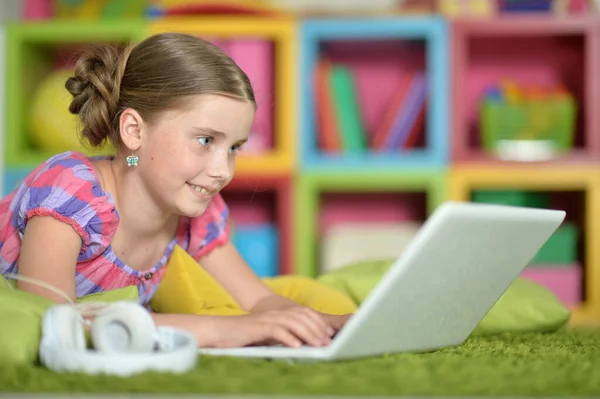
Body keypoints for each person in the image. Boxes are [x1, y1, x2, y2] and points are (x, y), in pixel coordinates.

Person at [0, 32, 350, 349]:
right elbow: (54, 322)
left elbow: (257, 301)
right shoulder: (69, 193)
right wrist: (224, 330)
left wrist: (324, 325)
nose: (222, 170)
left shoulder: (193, 213)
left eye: (233, 148)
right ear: (134, 131)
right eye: (205, 140)